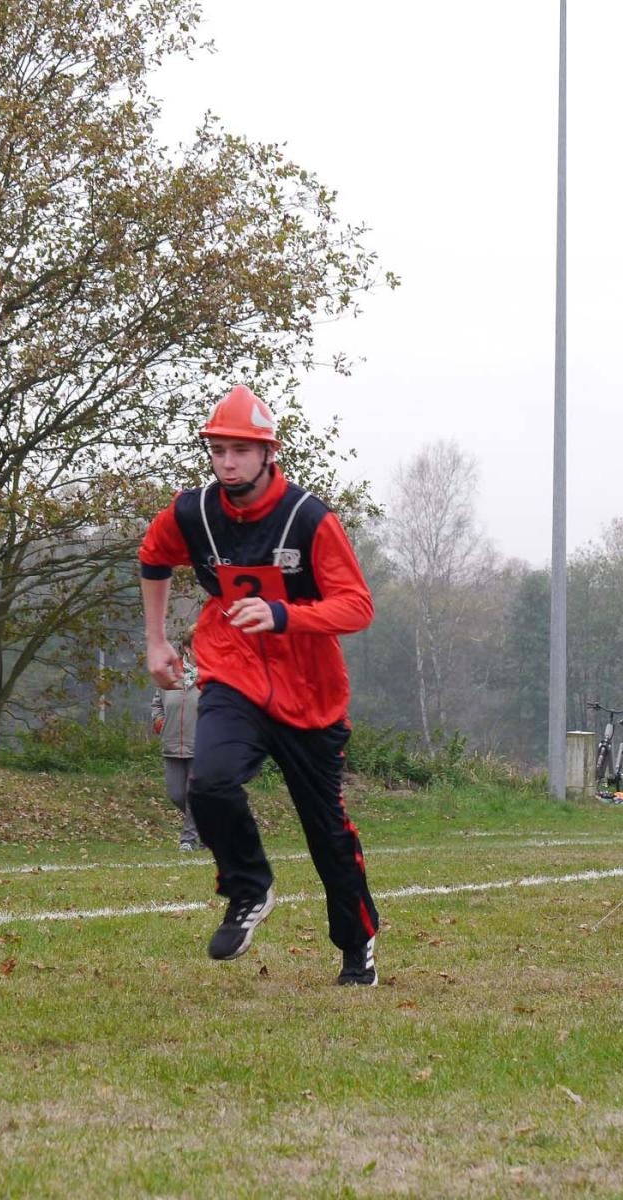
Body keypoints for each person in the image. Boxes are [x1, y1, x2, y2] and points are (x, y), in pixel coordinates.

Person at [139, 385, 381, 986]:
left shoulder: (309, 519)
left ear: (268, 453)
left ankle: (357, 949)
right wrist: (157, 640)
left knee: (327, 835)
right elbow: (153, 556)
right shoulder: (193, 511)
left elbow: (357, 606)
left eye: (240, 450)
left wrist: (284, 615)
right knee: (210, 782)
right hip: (232, 673)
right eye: (218, 449)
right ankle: (249, 888)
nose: (227, 462)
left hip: (310, 695)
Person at [150, 630, 203, 851]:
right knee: (176, 794)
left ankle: (187, 840)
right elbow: (156, 704)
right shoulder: (169, 674)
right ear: (187, 648)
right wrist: (161, 723)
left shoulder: (213, 675)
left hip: (202, 744)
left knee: (194, 793)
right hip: (172, 742)